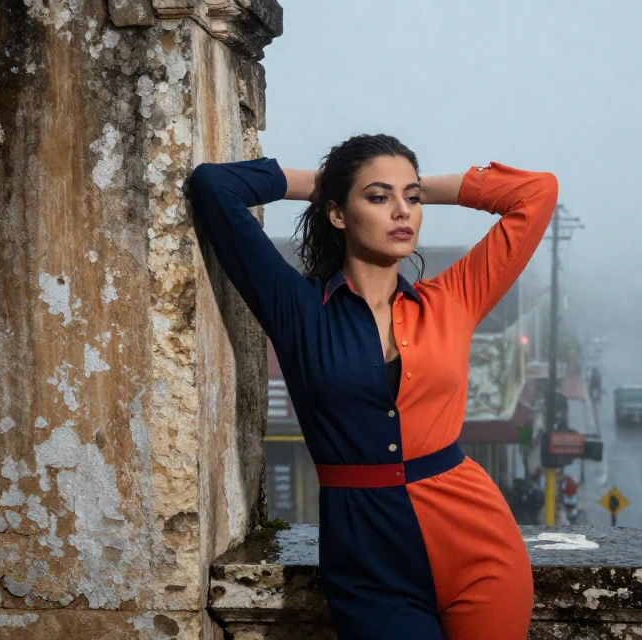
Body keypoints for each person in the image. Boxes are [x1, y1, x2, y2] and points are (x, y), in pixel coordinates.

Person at [188, 134, 559, 640]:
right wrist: (328, 184)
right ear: (338, 213)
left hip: (478, 547)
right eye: (379, 198)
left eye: (412, 198)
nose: (401, 211)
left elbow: (536, 192)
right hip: (366, 558)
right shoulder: (297, 309)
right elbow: (215, 186)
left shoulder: (452, 299)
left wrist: (406, 187)